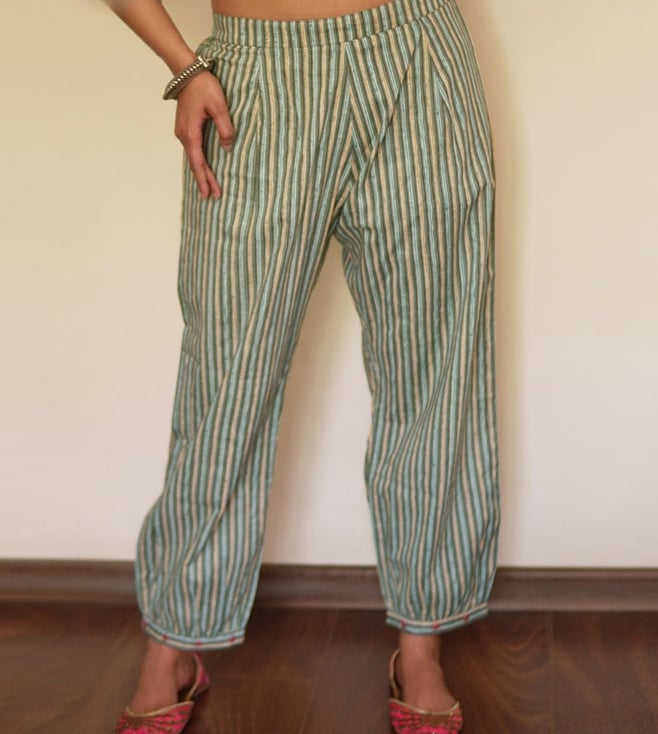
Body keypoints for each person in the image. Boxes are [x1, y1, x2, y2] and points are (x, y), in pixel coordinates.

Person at [105, 0, 501, 732]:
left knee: (434, 371)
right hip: (258, 77)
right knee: (226, 381)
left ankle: (422, 644)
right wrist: (183, 66)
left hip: (416, 56)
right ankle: (173, 643)